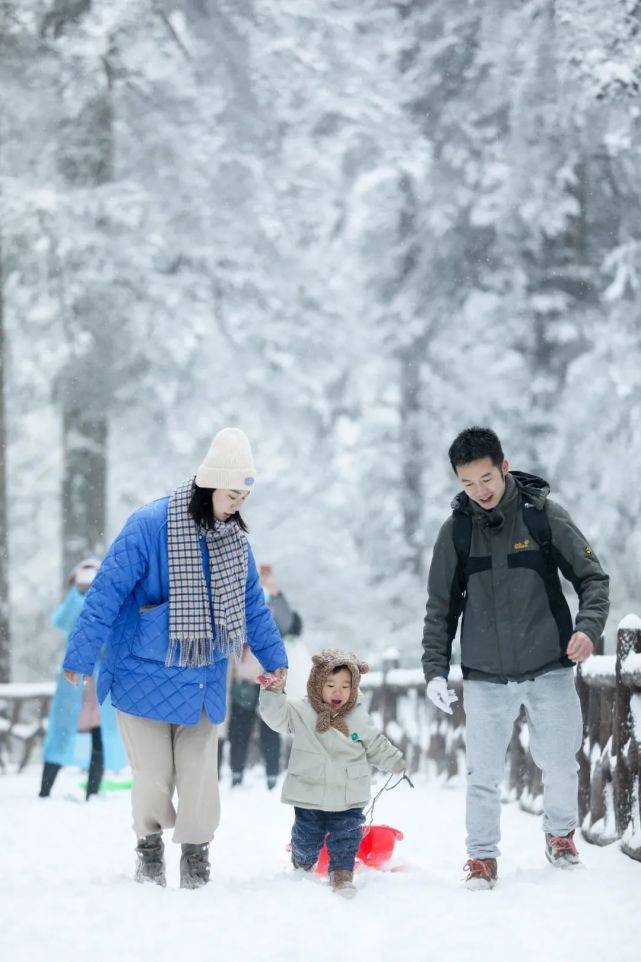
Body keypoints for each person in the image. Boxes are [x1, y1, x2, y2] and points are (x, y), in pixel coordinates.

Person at [62, 428, 289, 889]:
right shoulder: (149, 525)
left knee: (200, 773)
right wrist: (81, 655)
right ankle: (148, 850)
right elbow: (105, 591)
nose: (237, 504)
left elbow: (252, 607)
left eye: (245, 495)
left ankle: (196, 855)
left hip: (202, 678)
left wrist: (275, 660)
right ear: (209, 484)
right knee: (152, 777)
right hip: (139, 672)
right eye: (231, 493)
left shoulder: (235, 542)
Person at [421, 427, 609, 889]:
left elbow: (593, 579)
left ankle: (561, 836)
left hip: (549, 666)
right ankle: (482, 858)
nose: (479, 491)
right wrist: (434, 672)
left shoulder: (543, 517)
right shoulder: (457, 531)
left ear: (503, 467)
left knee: (561, 761)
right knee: (482, 772)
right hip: (485, 676)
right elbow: (440, 607)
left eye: (485, 478)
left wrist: (587, 629)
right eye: (467, 483)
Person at [258, 648, 405, 898]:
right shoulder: (302, 711)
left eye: (346, 686)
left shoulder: (357, 717)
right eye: (330, 684)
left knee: (345, 838)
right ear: (317, 684)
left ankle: (342, 875)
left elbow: (375, 743)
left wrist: (396, 762)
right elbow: (276, 717)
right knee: (306, 836)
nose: (338, 692)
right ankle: (301, 865)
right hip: (310, 790)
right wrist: (273, 691)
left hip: (348, 793)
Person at [39, 559, 126, 800]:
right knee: (60, 734)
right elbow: (64, 622)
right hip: (74, 680)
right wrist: (78, 593)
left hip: (99, 681)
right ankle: (45, 790)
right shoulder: (73, 602)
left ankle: (93, 791)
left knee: (101, 738)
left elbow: (114, 633)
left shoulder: (111, 600)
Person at [228, 565, 303, 789]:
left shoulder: (273, 615)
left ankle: (272, 774)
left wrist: (276, 591)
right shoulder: (238, 611)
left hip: (270, 682)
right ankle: (236, 773)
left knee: (271, 730)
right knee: (239, 731)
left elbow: (287, 621)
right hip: (243, 682)